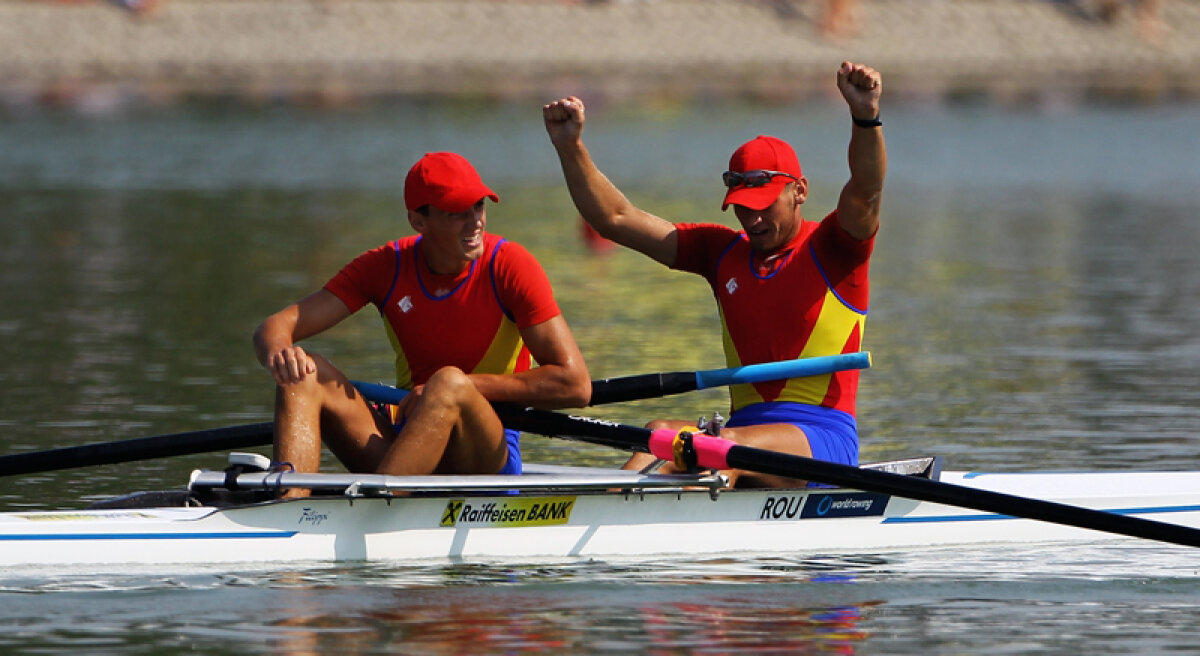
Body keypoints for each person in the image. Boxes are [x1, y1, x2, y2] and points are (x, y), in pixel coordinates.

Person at [543, 61, 886, 488]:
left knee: (716, 446)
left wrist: (865, 116)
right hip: (740, 437)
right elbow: (614, 219)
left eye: (764, 204)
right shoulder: (721, 252)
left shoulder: (836, 249)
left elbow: (866, 188)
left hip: (823, 441)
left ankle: (619, 517)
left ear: (799, 191)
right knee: (660, 431)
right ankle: (601, 509)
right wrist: (569, 147)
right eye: (743, 205)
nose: (752, 217)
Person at [254, 151, 592, 497]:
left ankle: (375, 508)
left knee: (447, 382)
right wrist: (280, 351)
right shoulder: (386, 266)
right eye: (458, 212)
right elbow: (276, 326)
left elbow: (576, 385)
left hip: (485, 459)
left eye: (478, 205)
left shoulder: (510, 267)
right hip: (406, 442)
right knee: (305, 372)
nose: (475, 220)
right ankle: (290, 506)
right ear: (418, 221)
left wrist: (459, 388)